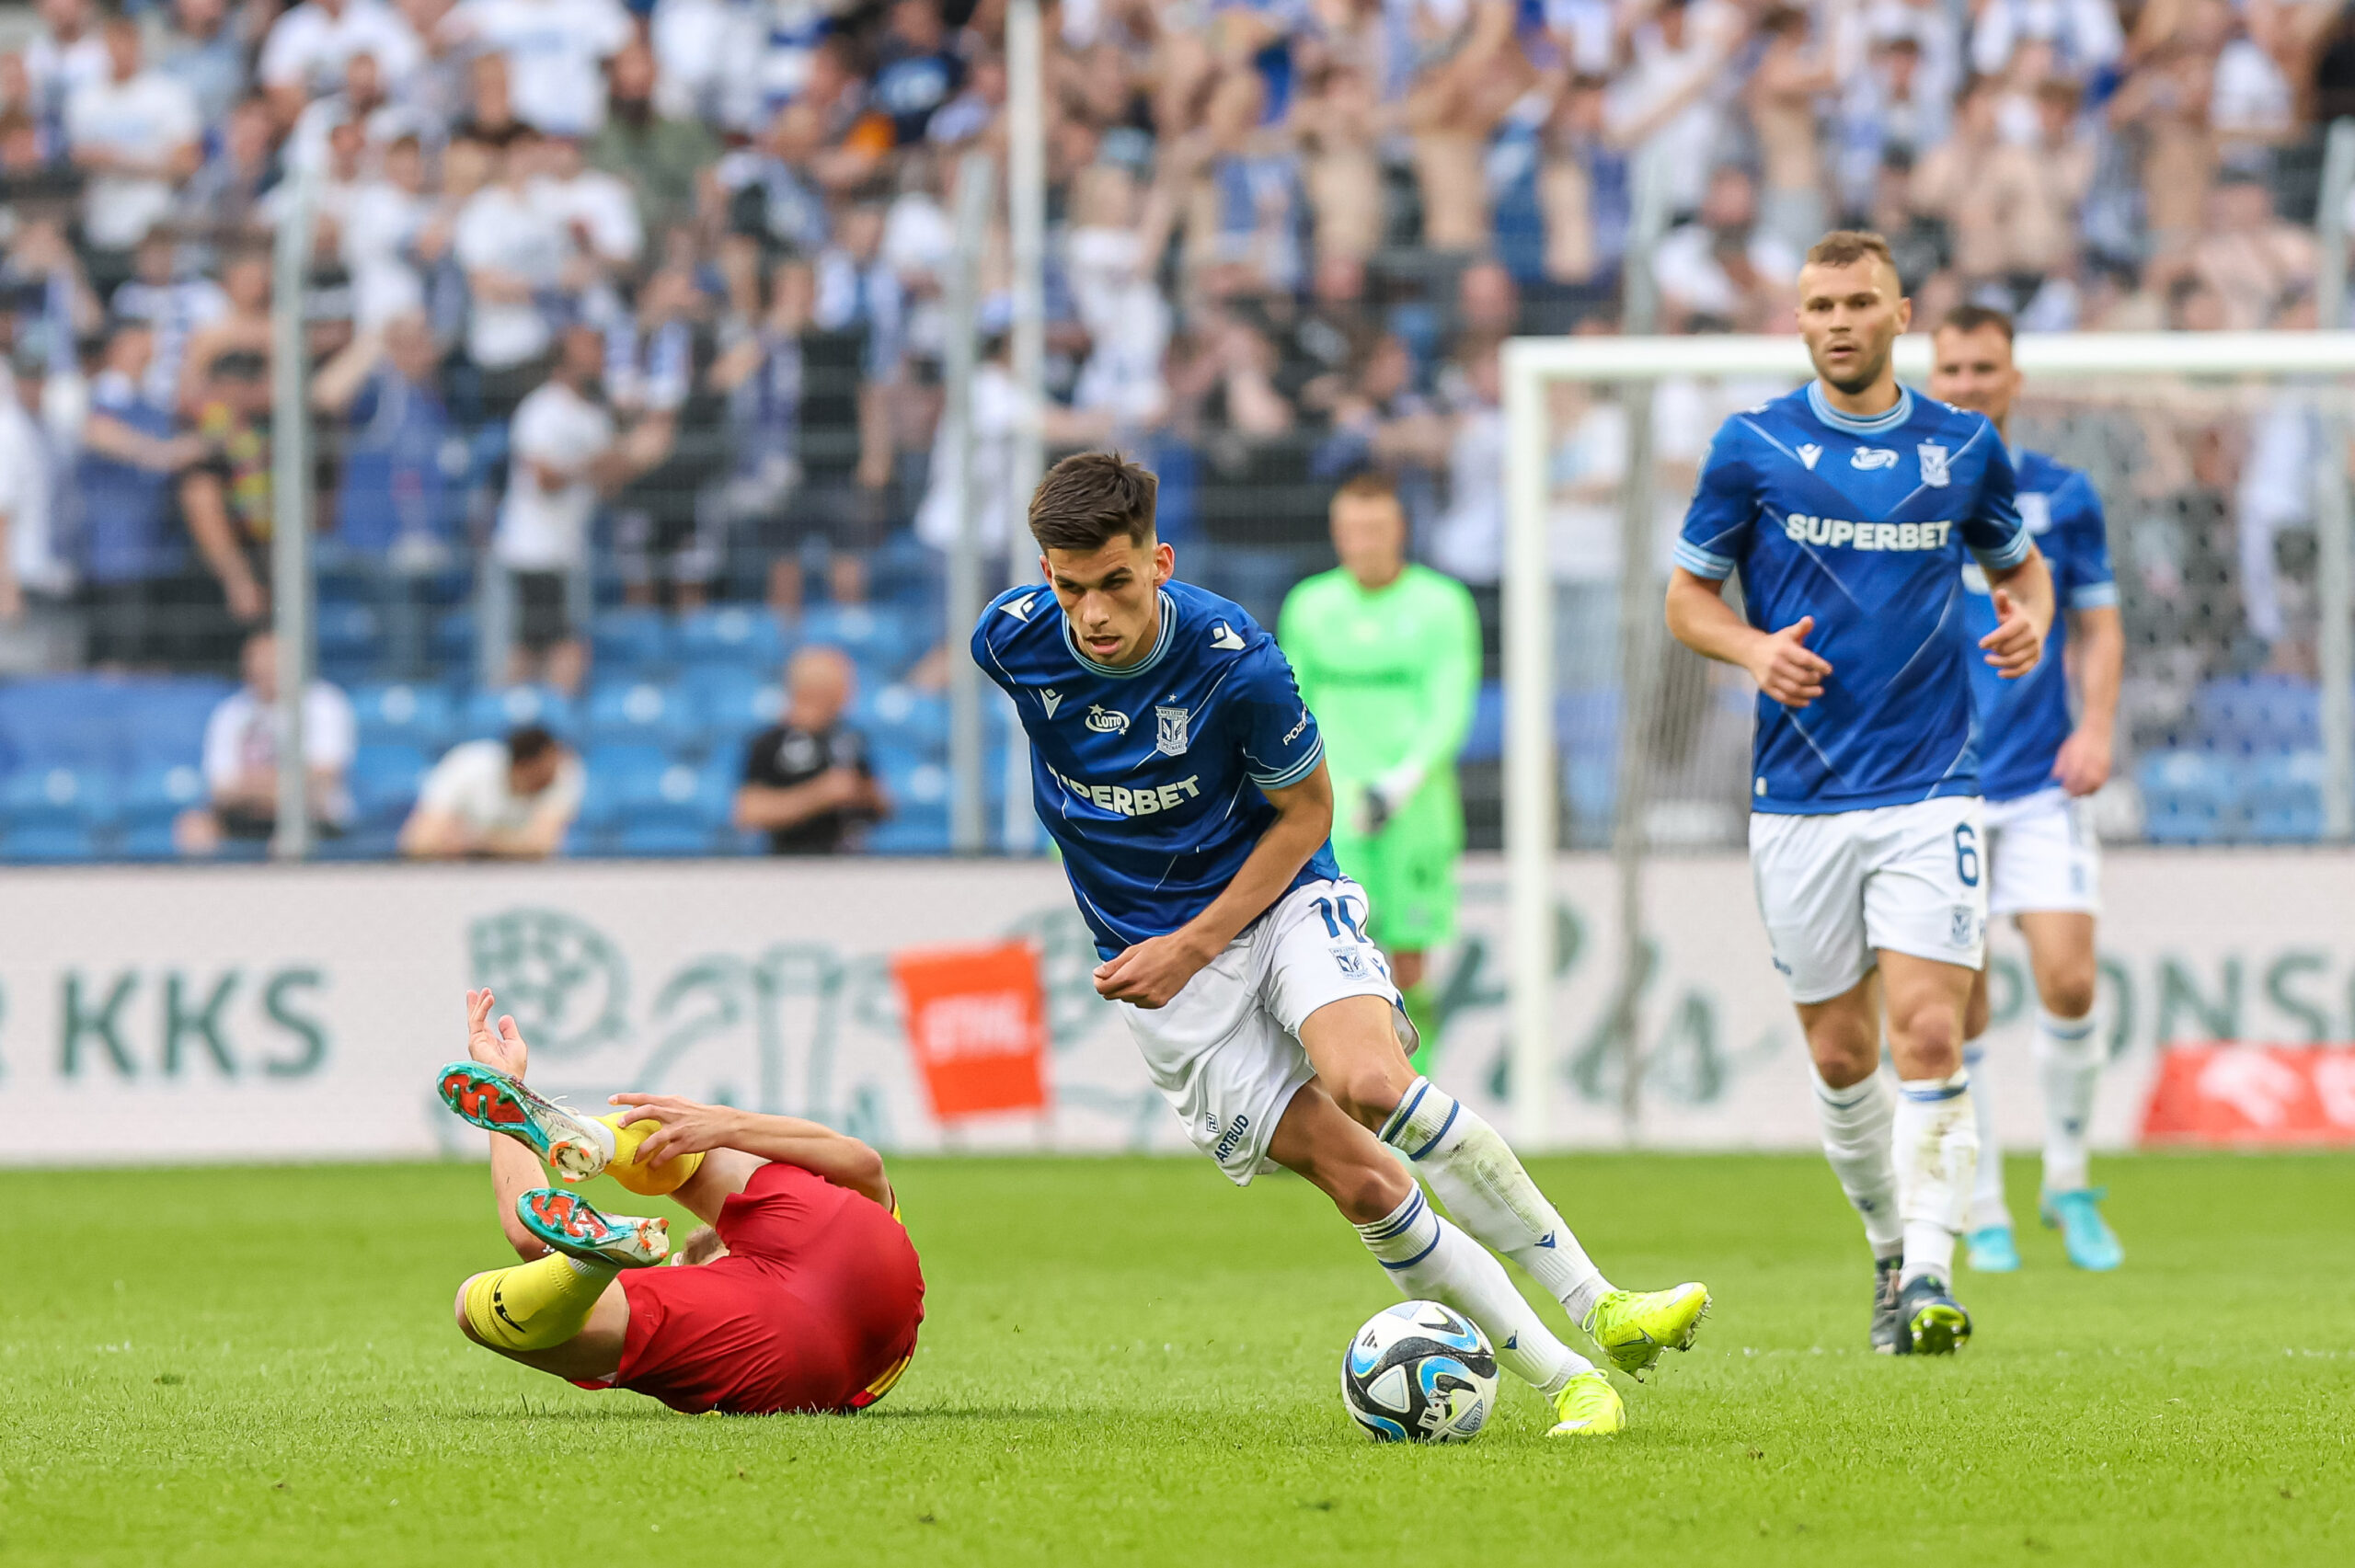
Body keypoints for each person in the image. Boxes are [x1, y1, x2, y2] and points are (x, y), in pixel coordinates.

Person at [972, 450, 1710, 1439]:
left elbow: (1303, 812)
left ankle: (1601, 1303)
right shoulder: (1011, 642)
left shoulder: (1236, 660)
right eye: (1070, 588)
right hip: (1161, 976)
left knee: (1368, 1081)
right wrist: (1176, 955)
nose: (1093, 614)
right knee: (1364, 1182)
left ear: (1159, 560)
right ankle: (1573, 1381)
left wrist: (1193, 942)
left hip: (1270, 902)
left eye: (1116, 582)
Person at [1662, 231, 2056, 1356]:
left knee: (1929, 1032)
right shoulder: (1752, 447)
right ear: (1799, 320)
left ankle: (1932, 1271)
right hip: (1797, 797)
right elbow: (1685, 600)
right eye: (1818, 304)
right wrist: (1749, 651)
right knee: (1841, 1056)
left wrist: (2025, 613)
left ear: (1901, 314)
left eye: (1858, 301)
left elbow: (2016, 563)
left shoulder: (1964, 446)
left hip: (1931, 784)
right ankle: (1889, 1249)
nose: (1837, 320)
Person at [435, 988, 923, 1414]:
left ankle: (589, 1257)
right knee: (695, 1143)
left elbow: (528, 1232)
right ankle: (596, 1146)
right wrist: (726, 1123)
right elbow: (865, 1163)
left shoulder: (684, 1289)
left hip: (774, 1349)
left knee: (484, 1306)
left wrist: (507, 1089)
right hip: (865, 1283)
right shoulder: (830, 1226)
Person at [1925, 304, 2125, 1275]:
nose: (1966, 382)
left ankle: (2069, 1177)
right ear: (1931, 376)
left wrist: (2095, 726)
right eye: (1951, 368)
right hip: (1939, 786)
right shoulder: (1903, 499)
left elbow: (2098, 625)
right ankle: (1988, 1202)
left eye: (1984, 366)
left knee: (2071, 977)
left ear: (2013, 378)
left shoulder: (2061, 495)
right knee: (1961, 1005)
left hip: (2043, 779)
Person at [1277, 472, 1479, 1073]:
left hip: (1416, 808)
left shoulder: (1442, 604)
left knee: (1410, 963)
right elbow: (1295, 706)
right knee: (1333, 961)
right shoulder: (1310, 605)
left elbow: (1450, 702)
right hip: (1333, 813)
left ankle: (1423, 1105)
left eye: (1375, 528)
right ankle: (1345, 1112)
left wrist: (1402, 780)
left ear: (1400, 530)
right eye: (1351, 529)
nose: (1362, 541)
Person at [178, 630, 358, 853]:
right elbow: (219, 788)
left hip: (311, 815)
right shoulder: (231, 711)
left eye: (271, 665)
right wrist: (281, 785)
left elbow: (322, 778)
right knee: (194, 826)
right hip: (245, 814)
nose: (263, 672)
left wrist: (255, 786)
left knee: (289, 837)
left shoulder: (324, 703)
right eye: (256, 665)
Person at [734, 645, 890, 855]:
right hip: (792, 865)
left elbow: (883, 806)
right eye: (841, 684)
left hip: (850, 865)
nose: (849, 692)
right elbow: (748, 811)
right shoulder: (769, 743)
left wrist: (864, 792)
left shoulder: (850, 738)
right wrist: (820, 795)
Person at [398, 723, 583, 858]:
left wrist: (473, 842)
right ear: (524, 767)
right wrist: (512, 844)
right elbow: (418, 842)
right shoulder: (467, 765)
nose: (554, 775)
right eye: (545, 773)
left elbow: (541, 847)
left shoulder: (564, 772)